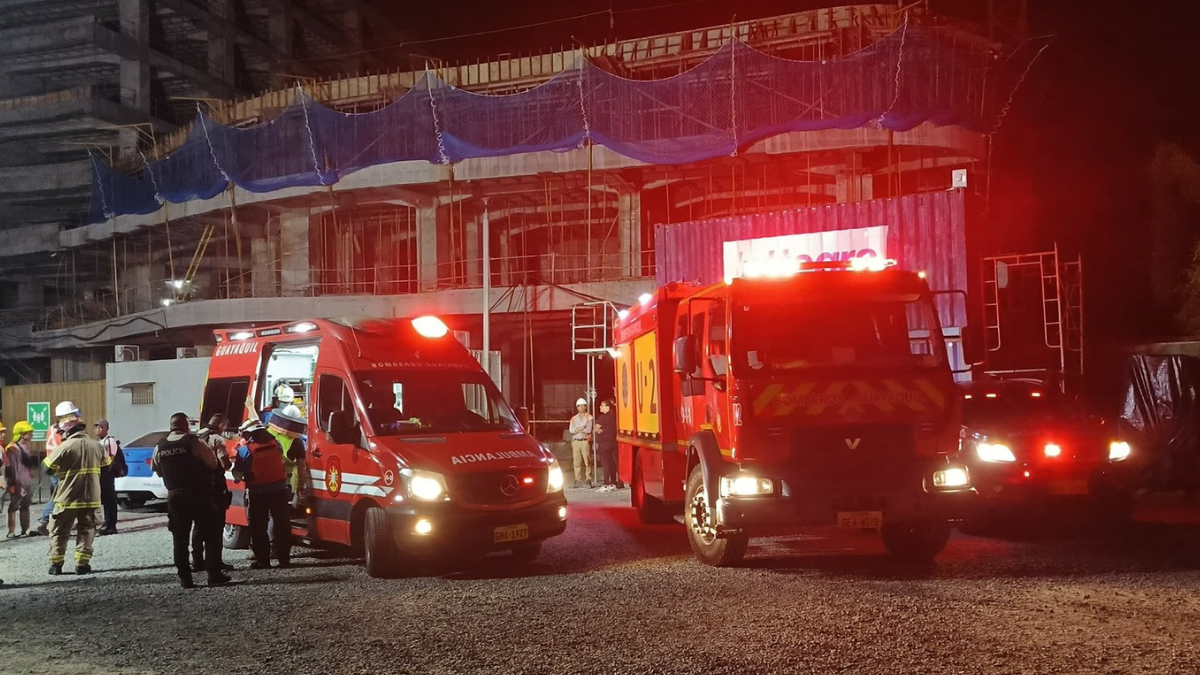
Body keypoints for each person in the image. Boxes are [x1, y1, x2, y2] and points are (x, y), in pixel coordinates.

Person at [152, 412, 231, 588]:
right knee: (210, 533)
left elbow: (157, 470)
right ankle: (214, 574)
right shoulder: (194, 442)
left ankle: (185, 578)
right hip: (198, 495)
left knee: (180, 538)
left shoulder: (160, 446)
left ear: (171, 425)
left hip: (175, 497)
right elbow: (213, 464)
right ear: (186, 425)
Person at [43, 402, 109, 575]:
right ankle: (82, 564)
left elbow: (46, 467)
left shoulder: (64, 447)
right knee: (87, 530)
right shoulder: (97, 445)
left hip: (68, 498)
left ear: (66, 430)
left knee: (59, 531)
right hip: (91, 497)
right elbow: (107, 466)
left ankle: (56, 565)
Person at [233, 420, 296, 569]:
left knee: (258, 528)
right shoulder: (276, 444)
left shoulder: (245, 450)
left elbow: (237, 474)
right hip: (279, 491)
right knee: (282, 525)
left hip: (258, 493)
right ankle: (284, 560)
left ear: (249, 434)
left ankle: (263, 561)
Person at [191, 414, 234, 573]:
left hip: (197, 486)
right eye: (225, 427)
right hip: (215, 487)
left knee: (199, 526)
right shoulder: (217, 439)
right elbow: (225, 463)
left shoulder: (195, 436)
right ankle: (215, 562)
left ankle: (196, 560)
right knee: (216, 526)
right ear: (221, 424)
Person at [35, 408, 71, 536]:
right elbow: (64, 451)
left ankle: (51, 521)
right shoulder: (61, 432)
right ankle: (45, 520)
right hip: (59, 468)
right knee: (59, 497)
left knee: (56, 495)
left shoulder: (51, 429)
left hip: (51, 466)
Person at [5, 421, 39, 537]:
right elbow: (12, 468)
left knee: (25, 506)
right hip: (17, 482)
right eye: (30, 432)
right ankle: (11, 531)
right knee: (13, 506)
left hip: (26, 481)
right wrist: (14, 483)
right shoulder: (12, 449)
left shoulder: (26, 447)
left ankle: (26, 529)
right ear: (22, 433)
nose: (32, 434)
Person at [94, 420, 121, 535]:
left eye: (100, 427)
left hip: (107, 474)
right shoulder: (100, 442)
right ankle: (107, 522)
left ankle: (111, 525)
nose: (98, 430)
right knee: (105, 499)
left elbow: (111, 458)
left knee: (110, 499)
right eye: (97, 427)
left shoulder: (109, 441)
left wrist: (106, 470)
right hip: (102, 473)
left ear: (106, 428)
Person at [594, 399, 623, 491]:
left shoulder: (602, 417)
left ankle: (606, 483)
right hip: (613, 443)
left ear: (607, 407)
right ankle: (613, 482)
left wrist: (599, 430)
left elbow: (596, 428)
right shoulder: (615, 416)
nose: (600, 407)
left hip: (603, 443)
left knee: (605, 463)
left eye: (602, 405)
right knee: (612, 463)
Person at [568, 397, 594, 488]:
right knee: (576, 462)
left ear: (585, 407)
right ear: (577, 407)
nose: (581, 408)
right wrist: (582, 428)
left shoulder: (589, 417)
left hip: (584, 441)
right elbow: (571, 430)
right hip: (576, 442)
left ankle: (588, 479)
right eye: (579, 406)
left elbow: (588, 430)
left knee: (587, 461)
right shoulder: (573, 418)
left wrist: (578, 429)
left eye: (583, 406)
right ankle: (577, 479)